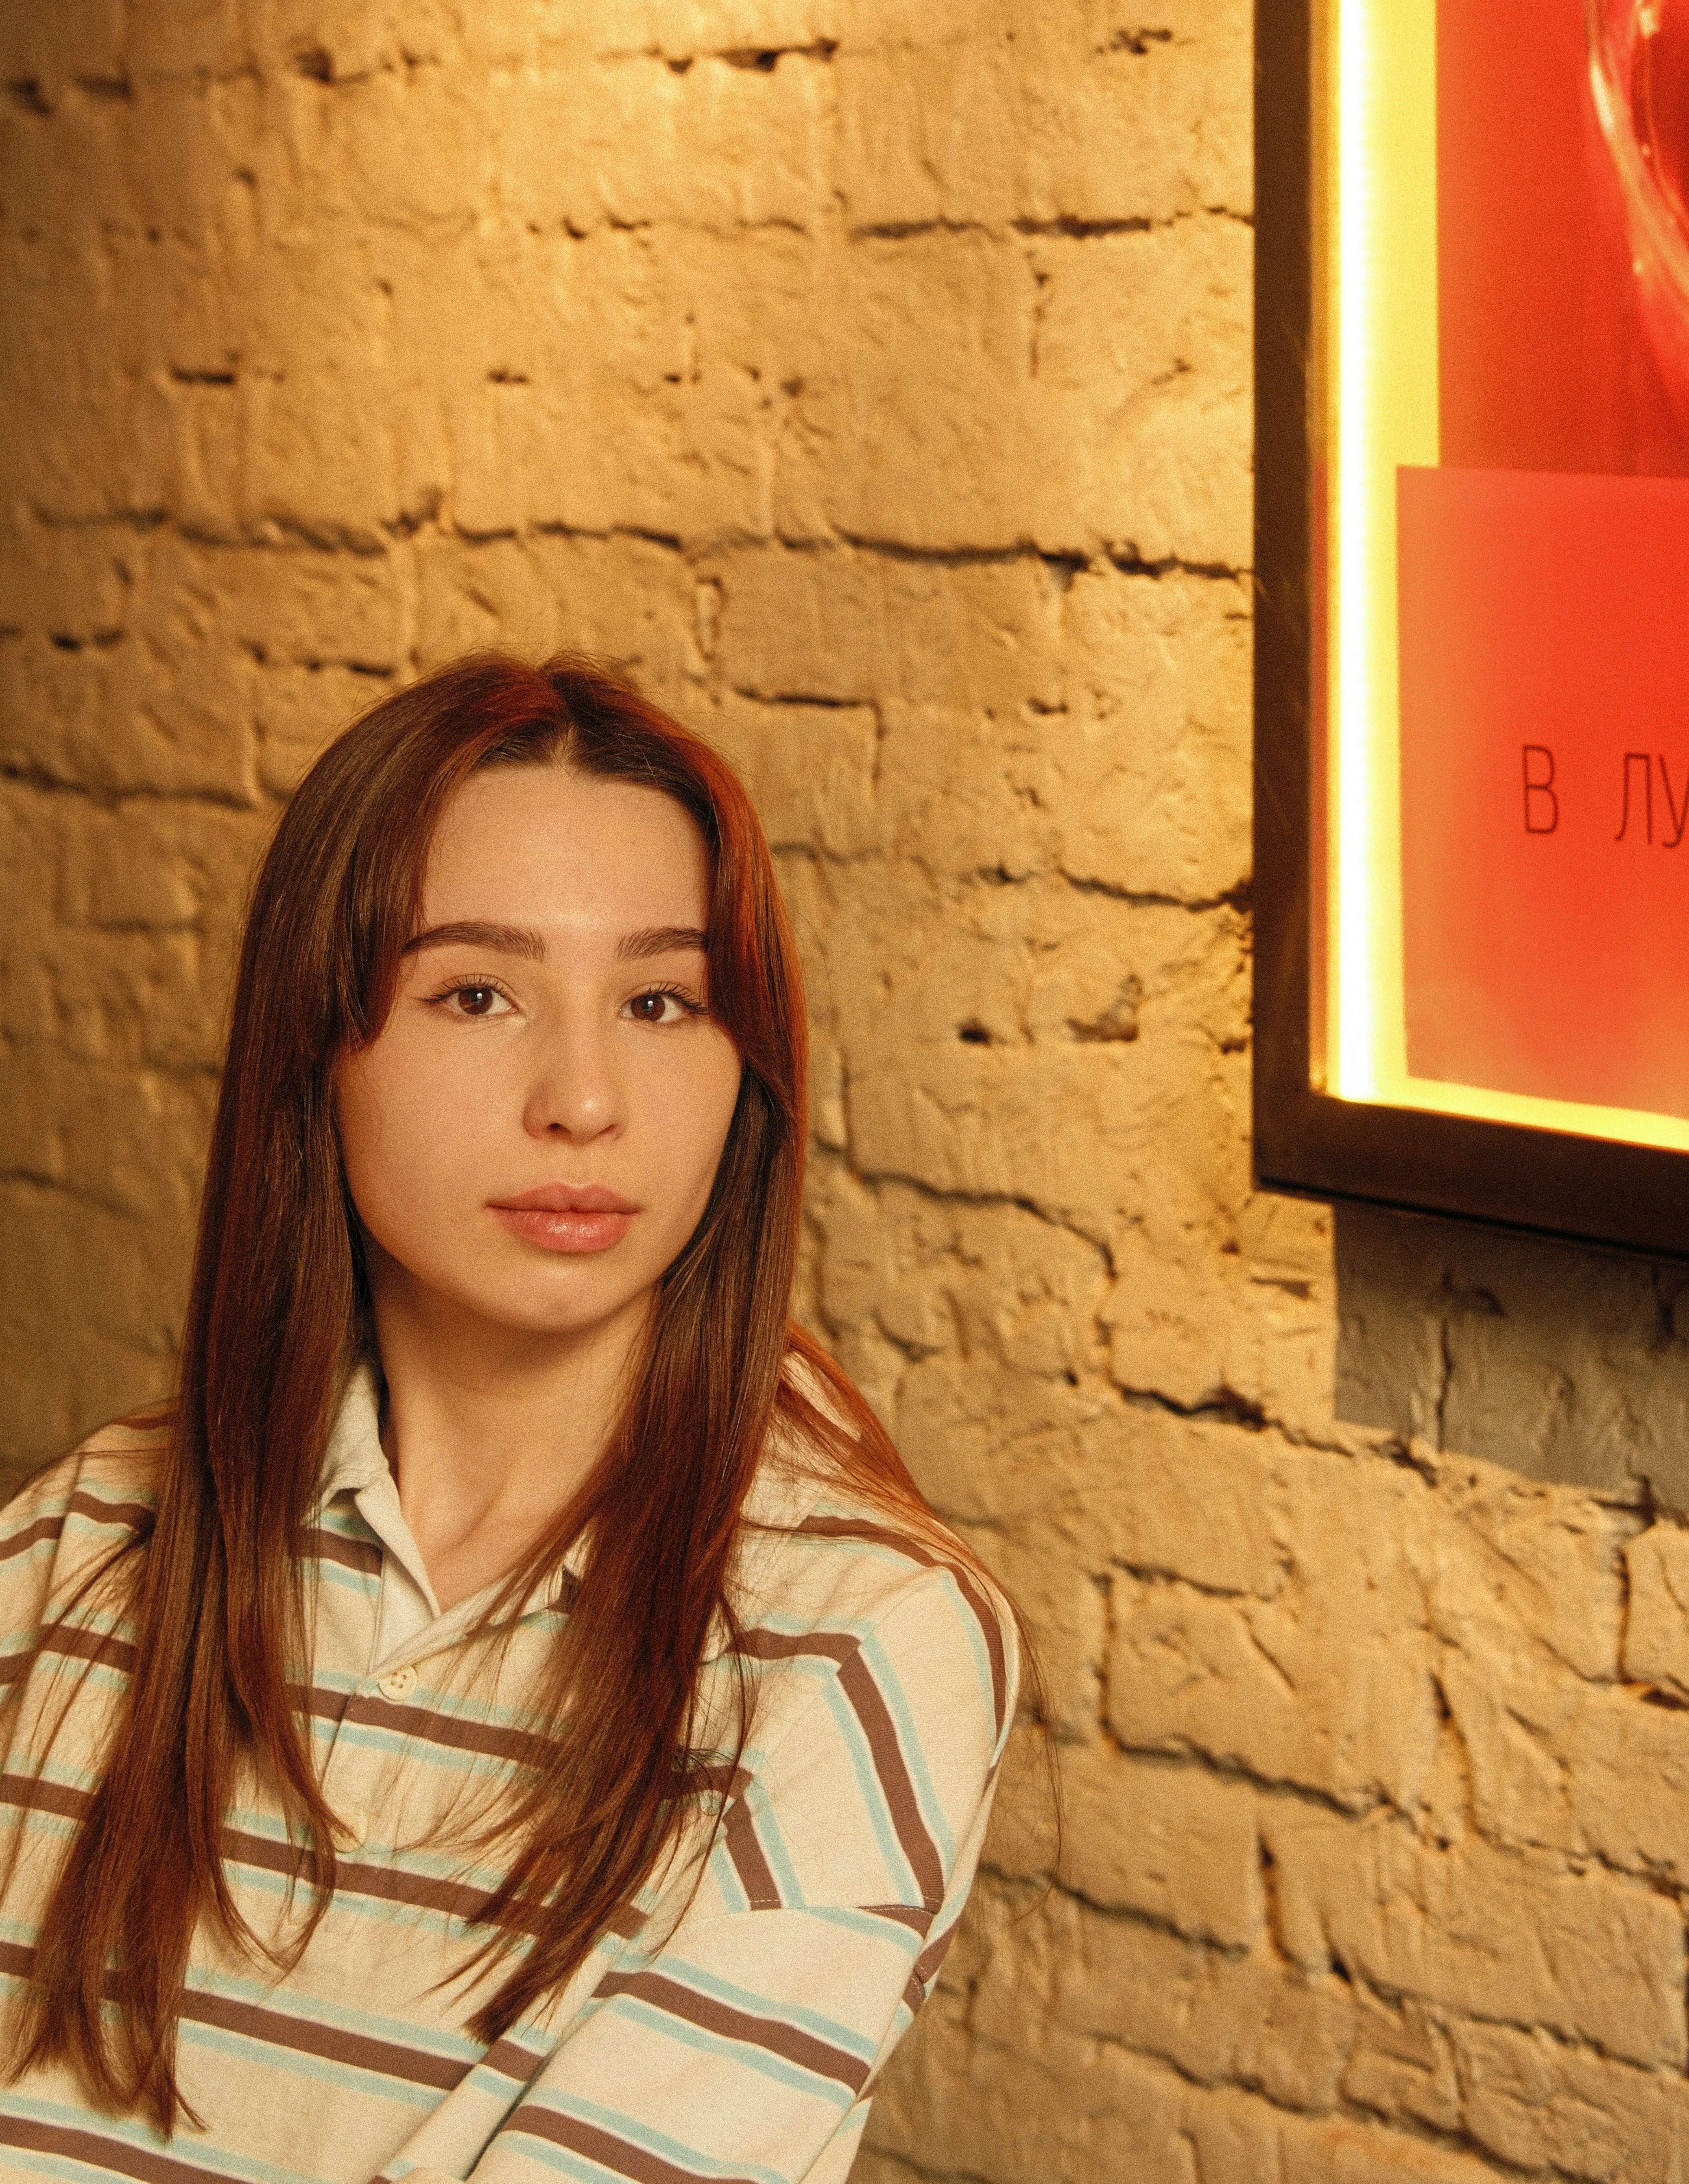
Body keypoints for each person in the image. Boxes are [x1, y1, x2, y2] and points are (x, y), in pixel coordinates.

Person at [0, 653, 1022, 2184]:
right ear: (316, 1045)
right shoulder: (87, 1537)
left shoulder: (854, 1638)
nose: (583, 1099)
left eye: (660, 1002)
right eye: (477, 993)